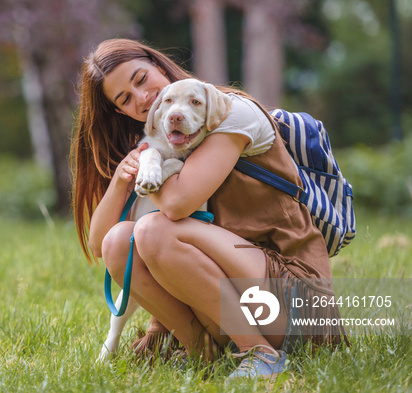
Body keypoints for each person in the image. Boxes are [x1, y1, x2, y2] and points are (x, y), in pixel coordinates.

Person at [70, 38, 345, 379]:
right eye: (125, 98)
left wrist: (150, 163)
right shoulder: (166, 141)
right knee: (119, 242)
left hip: (294, 302)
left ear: (158, 66)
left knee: (153, 229)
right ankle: (201, 351)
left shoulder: (231, 113)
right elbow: (100, 245)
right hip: (237, 297)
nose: (142, 98)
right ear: (119, 111)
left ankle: (259, 353)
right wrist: (126, 174)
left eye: (141, 79)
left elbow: (175, 204)